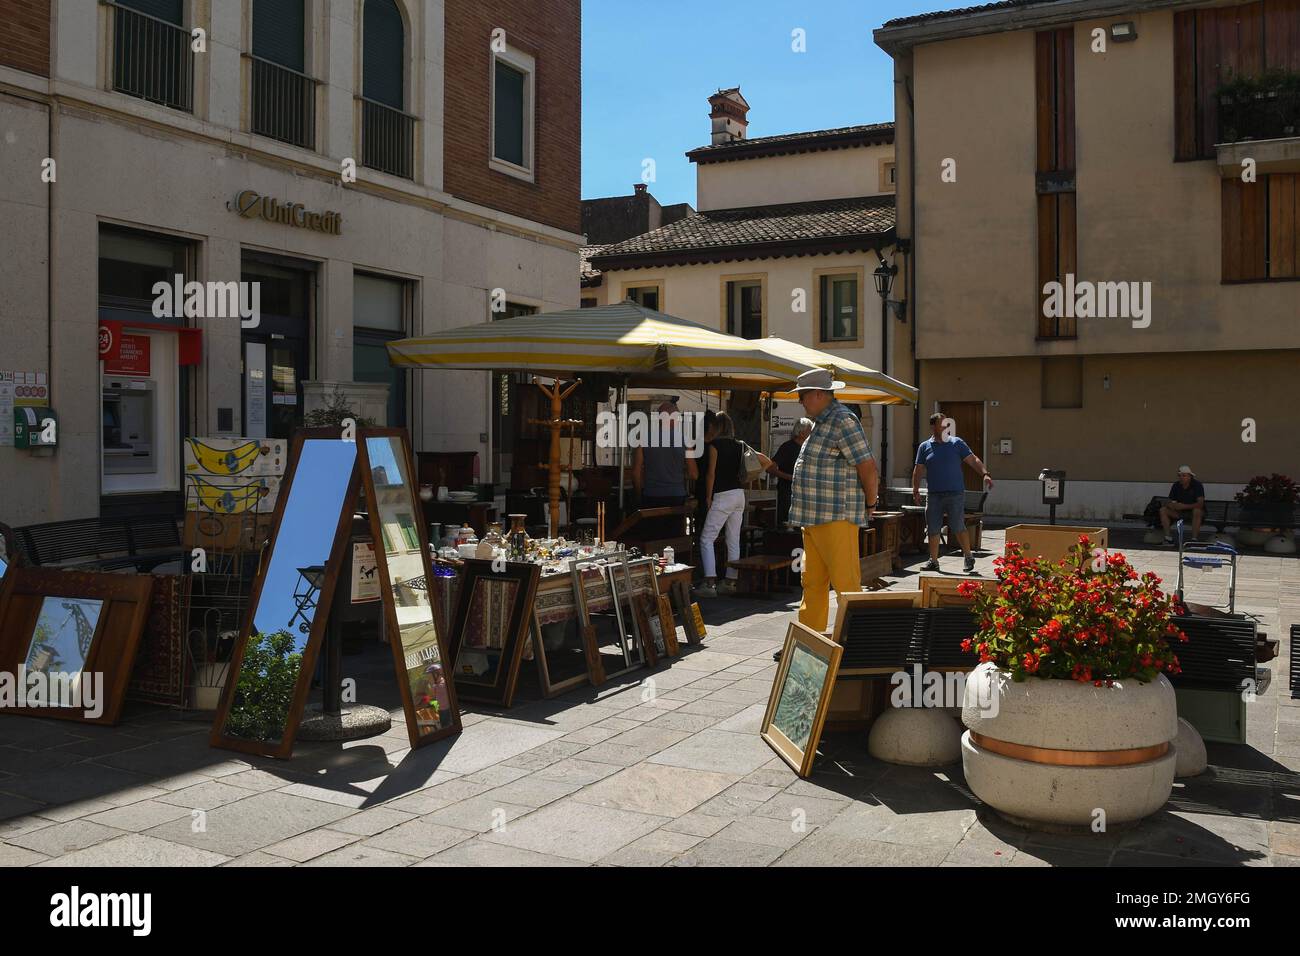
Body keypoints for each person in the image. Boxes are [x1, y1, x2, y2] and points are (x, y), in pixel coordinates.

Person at [788, 369, 878, 633]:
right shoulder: (821, 422)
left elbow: (867, 466)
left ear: (818, 394)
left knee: (846, 585)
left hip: (836, 517)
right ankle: (809, 640)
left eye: (802, 396)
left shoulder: (842, 420)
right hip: (814, 517)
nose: (800, 401)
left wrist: (871, 504)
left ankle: (859, 645)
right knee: (812, 583)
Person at [694, 412, 773, 597]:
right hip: (739, 494)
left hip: (722, 495)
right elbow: (767, 462)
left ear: (716, 427)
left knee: (706, 539)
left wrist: (708, 496)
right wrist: (750, 476)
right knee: (733, 538)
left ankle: (710, 581)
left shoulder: (715, 445)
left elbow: (711, 474)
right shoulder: (740, 445)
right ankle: (730, 581)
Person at [912, 411, 993, 574]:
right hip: (934, 494)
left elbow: (973, 459)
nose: (945, 427)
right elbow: (918, 469)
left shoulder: (957, 443)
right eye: (941, 424)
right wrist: (915, 489)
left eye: (946, 424)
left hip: (955, 494)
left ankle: (968, 556)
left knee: (957, 525)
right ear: (933, 426)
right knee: (933, 528)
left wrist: (985, 474)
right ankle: (933, 561)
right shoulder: (925, 447)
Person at [632, 399, 697, 539]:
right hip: (676, 497)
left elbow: (636, 473)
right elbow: (694, 474)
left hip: (651, 496)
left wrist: (639, 495)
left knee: (653, 537)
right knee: (673, 538)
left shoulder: (643, 439)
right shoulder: (686, 441)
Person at [771, 418, 812, 526]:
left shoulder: (810, 448)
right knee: (787, 525)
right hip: (787, 493)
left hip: (805, 494)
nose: (812, 434)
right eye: (810, 431)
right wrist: (790, 477)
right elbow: (771, 468)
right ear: (801, 433)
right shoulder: (787, 447)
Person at [1161, 465, 1206, 544]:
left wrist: (1184, 506)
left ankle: (1194, 539)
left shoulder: (1197, 485)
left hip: (1193, 513)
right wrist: (1171, 505)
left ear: (1190, 477)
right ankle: (1168, 538)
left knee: (1197, 511)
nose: (1181, 478)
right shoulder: (1176, 485)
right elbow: (1170, 500)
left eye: (1184, 476)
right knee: (1163, 510)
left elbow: (1200, 504)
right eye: (1179, 476)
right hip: (1180, 512)